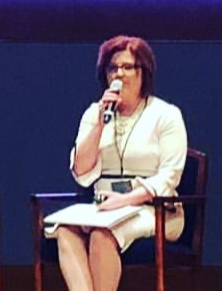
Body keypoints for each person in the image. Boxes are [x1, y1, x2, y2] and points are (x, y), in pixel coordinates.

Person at [54, 35, 187, 291]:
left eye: (128, 67)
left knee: (102, 234)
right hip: (105, 207)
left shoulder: (166, 115)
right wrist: (99, 124)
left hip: (155, 209)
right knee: (65, 230)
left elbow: (169, 176)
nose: (119, 74)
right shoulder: (95, 113)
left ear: (143, 73)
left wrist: (126, 200)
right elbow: (81, 170)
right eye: (113, 68)